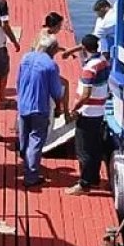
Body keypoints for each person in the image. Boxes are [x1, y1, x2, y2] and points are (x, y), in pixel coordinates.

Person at [15, 34, 67, 188]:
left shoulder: (25, 58)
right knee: (36, 139)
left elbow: (18, 81)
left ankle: (26, 162)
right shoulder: (51, 65)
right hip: (39, 107)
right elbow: (56, 92)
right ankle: (31, 176)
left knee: (24, 136)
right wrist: (59, 106)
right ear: (53, 49)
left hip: (23, 104)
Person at [65, 34, 111, 196]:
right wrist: (74, 49)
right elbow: (85, 47)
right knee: (95, 147)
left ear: (84, 48)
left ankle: (84, 184)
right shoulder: (103, 62)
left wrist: (74, 109)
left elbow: (85, 94)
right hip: (99, 112)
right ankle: (94, 179)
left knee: (83, 150)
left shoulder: (89, 69)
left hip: (87, 112)